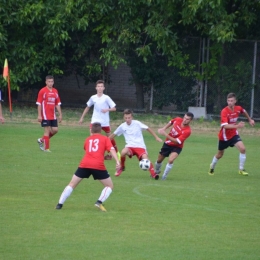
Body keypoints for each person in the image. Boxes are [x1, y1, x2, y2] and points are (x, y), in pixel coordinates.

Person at [55, 122, 120, 212]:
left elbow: (91, 153)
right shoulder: (105, 138)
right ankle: (99, 202)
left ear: (91, 130)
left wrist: (103, 157)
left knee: (72, 184)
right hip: (98, 165)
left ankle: (59, 204)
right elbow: (112, 149)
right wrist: (117, 160)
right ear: (101, 130)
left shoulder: (87, 139)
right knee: (109, 186)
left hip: (84, 164)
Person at [208, 92, 255, 176]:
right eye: (228, 100)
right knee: (220, 154)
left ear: (235, 101)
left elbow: (243, 111)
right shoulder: (224, 111)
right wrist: (237, 126)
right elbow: (225, 126)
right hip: (224, 137)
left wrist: (250, 119)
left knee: (243, 149)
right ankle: (212, 166)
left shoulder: (238, 108)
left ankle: (241, 169)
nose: (230, 102)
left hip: (233, 134)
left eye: (231, 100)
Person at [109, 108, 163, 180]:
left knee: (145, 159)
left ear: (132, 117)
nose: (127, 119)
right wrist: (103, 142)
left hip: (140, 146)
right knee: (123, 152)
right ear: (123, 118)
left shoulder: (137, 123)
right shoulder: (122, 126)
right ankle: (122, 167)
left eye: (129, 118)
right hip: (130, 147)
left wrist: (156, 137)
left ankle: (153, 174)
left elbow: (148, 128)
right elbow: (112, 135)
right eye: (126, 118)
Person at [79, 80, 120, 160]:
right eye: (98, 86)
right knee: (92, 137)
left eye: (101, 86)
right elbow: (88, 107)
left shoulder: (106, 98)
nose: (100, 88)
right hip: (95, 121)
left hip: (105, 122)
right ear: (96, 88)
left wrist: (107, 110)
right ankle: (93, 155)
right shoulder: (93, 97)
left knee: (110, 138)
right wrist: (82, 117)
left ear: (104, 88)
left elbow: (114, 108)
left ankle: (117, 152)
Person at [155, 112, 194, 180]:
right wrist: (164, 128)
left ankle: (164, 177)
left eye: (187, 119)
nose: (185, 120)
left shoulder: (187, 131)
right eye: (184, 117)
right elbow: (171, 121)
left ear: (190, 120)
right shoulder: (178, 119)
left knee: (171, 160)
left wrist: (165, 134)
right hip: (167, 144)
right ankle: (157, 171)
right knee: (159, 160)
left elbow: (177, 141)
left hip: (177, 146)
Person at [36, 75, 62, 152]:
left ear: (53, 82)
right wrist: (39, 115)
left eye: (52, 82)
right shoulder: (42, 91)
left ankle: (41, 140)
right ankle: (46, 149)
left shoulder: (55, 91)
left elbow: (57, 103)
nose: (50, 83)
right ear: (46, 82)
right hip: (45, 115)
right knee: (47, 131)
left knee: (55, 130)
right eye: (49, 81)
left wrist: (60, 114)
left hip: (52, 115)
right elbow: (39, 103)